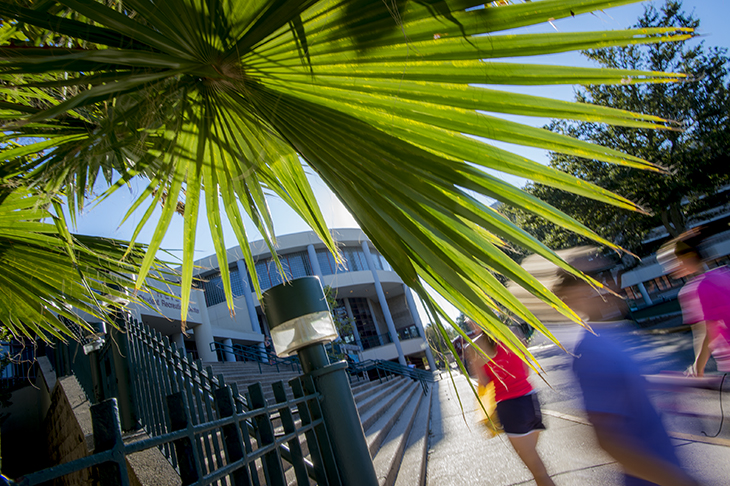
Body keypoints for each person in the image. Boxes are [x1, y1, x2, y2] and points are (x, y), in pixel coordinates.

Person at [573, 327, 699, 486]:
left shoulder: (609, 335)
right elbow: (608, 439)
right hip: (653, 478)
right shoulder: (591, 350)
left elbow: (631, 381)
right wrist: (678, 481)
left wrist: (681, 382)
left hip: (664, 466)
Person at [465, 320, 555, 486]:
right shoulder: (513, 332)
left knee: (538, 471)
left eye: (470, 324)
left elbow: (484, 381)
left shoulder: (474, 346)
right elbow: (525, 368)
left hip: (510, 407)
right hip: (531, 400)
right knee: (534, 462)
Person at [658, 229, 730, 376]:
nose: (668, 268)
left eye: (672, 261)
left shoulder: (696, 288)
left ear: (687, 257)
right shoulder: (723, 273)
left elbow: (707, 332)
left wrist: (698, 369)